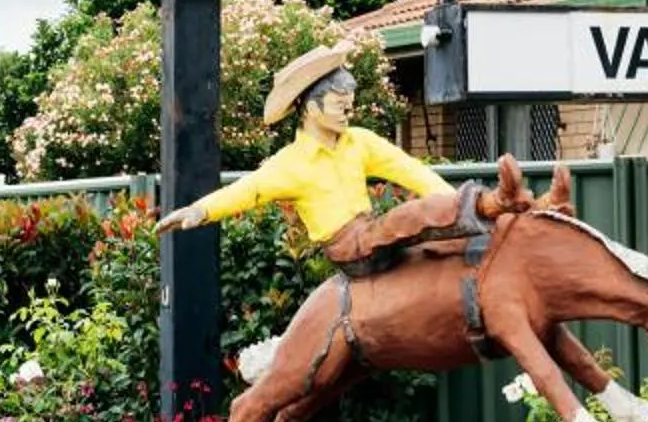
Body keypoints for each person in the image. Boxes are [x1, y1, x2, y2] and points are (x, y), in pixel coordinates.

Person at [156, 43, 458, 266]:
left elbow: (408, 169)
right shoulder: (291, 163)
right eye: (340, 106)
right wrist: (200, 210)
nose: (348, 113)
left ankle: (466, 213)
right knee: (408, 216)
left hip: (371, 234)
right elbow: (248, 190)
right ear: (312, 109)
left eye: (349, 106)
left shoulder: (360, 142)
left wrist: (447, 197)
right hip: (347, 247)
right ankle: (473, 208)